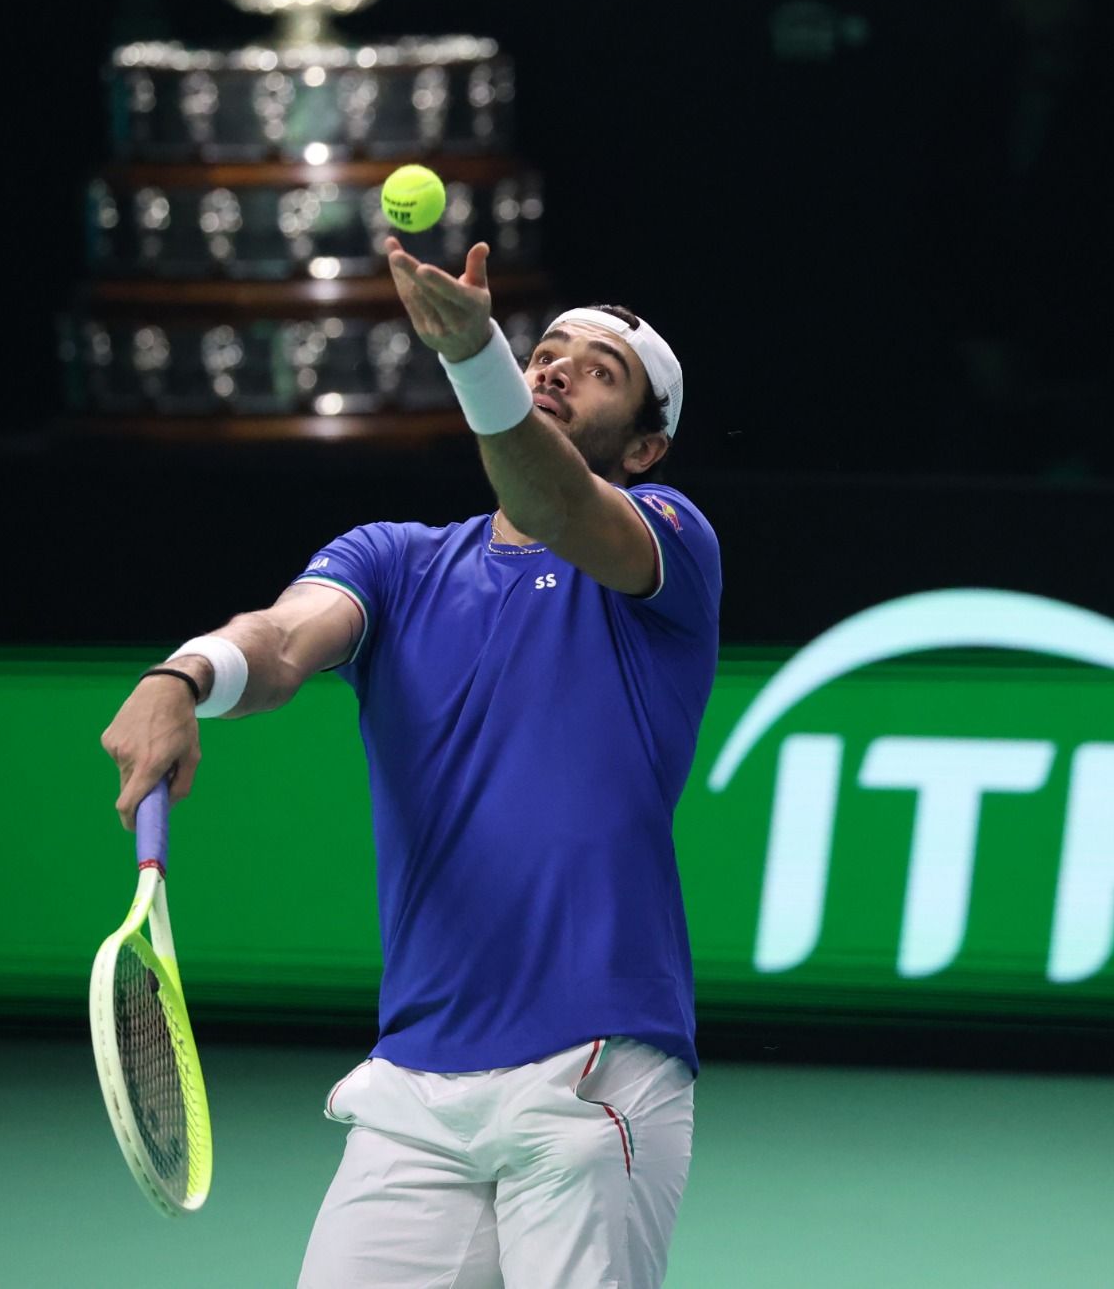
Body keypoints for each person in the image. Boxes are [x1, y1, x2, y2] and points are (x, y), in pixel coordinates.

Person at [101, 235, 722, 1288]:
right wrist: (187, 674)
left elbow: (560, 503)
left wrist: (475, 357)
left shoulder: (668, 545)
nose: (554, 369)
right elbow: (283, 640)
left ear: (647, 446)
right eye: (544, 352)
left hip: (591, 1070)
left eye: (599, 370)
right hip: (415, 1085)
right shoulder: (395, 561)